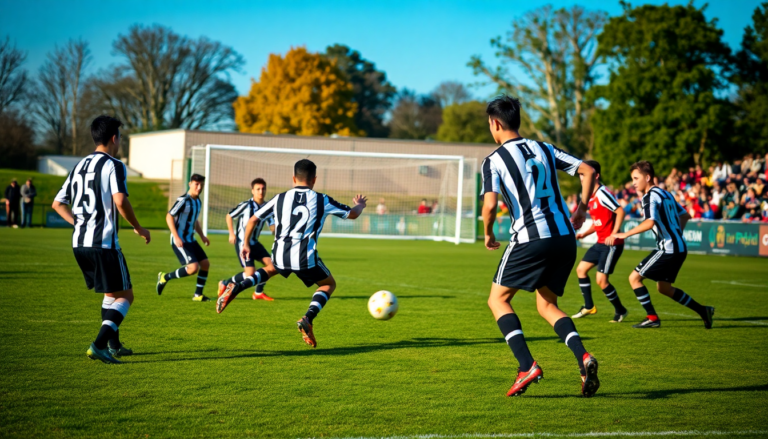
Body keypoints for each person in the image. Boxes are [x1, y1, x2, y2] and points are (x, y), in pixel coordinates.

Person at [480, 95, 599, 398]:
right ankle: (584, 358)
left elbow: (490, 205)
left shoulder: (494, 160)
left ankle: (526, 366)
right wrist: (582, 208)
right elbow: (587, 170)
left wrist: (488, 233)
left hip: (531, 239)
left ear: (496, 124)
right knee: (546, 305)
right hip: (564, 238)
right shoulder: (544, 148)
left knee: (498, 300)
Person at [217, 159, 367, 349]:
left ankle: (238, 287)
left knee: (271, 269)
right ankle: (308, 318)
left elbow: (253, 219)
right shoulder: (322, 199)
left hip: (280, 254)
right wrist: (360, 205)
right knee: (328, 284)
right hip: (305, 258)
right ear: (314, 179)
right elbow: (353, 214)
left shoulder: (279, 198)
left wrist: (245, 243)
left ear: (293, 178)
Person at [51, 115, 151, 364]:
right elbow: (120, 200)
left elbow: (57, 203)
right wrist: (138, 227)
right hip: (103, 244)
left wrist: (79, 223)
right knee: (126, 297)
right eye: (120, 137)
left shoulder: (78, 166)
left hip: (79, 244)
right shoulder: (114, 165)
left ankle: (113, 345)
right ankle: (98, 345)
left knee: (110, 294)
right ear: (114, 138)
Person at [610, 161, 714, 329]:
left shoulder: (649, 196)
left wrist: (625, 234)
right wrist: (676, 233)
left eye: (636, 178)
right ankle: (703, 311)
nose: (633, 182)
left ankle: (652, 318)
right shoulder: (666, 194)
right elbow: (685, 215)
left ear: (647, 177)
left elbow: (649, 222)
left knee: (634, 278)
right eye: (632, 179)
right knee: (664, 288)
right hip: (679, 247)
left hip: (668, 248)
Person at [573, 160, 629, 323]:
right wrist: (584, 234)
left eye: (584, 174)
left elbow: (620, 211)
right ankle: (589, 306)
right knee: (581, 270)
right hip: (600, 242)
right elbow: (599, 222)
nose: (581, 177)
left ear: (595, 176)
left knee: (601, 280)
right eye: (580, 174)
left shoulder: (602, 193)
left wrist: (615, 233)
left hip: (611, 244)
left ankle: (621, 311)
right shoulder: (590, 196)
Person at [156, 174, 212, 302]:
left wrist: (202, 236)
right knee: (193, 268)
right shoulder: (183, 200)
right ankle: (165, 277)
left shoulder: (198, 201)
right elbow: (169, 216)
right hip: (180, 240)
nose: (199, 187)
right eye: (196, 184)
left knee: (205, 264)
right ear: (190, 184)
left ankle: (198, 295)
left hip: (191, 239)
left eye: (201, 185)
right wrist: (176, 237)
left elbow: (194, 221)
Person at [219, 177, 276, 301]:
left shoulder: (267, 207)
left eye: (263, 189)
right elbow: (229, 216)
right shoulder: (246, 205)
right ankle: (225, 283)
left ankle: (258, 293)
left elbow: (272, 225)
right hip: (243, 243)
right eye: (258, 189)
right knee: (250, 273)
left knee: (273, 266)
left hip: (255, 243)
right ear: (252, 191)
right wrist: (231, 233)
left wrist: (277, 233)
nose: (261, 191)